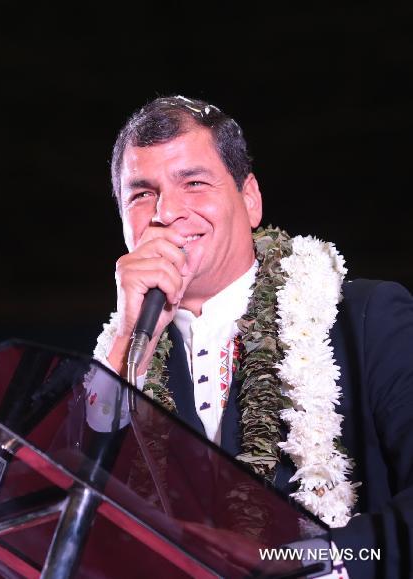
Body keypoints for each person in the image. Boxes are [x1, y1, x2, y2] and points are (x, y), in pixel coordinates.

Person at [93, 95, 413, 579]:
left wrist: (308, 560)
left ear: (250, 199)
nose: (166, 212)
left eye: (194, 183)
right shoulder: (114, 369)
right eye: (141, 194)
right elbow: (72, 515)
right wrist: (125, 345)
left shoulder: (366, 318)